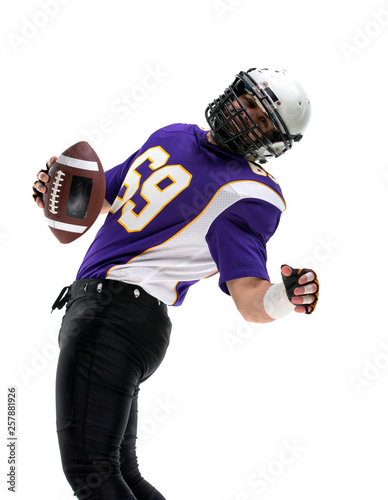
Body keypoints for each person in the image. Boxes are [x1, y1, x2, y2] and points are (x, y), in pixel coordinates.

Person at [33, 67, 319, 500]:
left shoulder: (246, 192)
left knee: (90, 472)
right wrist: (58, 191)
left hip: (115, 318)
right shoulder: (174, 134)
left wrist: (285, 297)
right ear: (232, 91)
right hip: (116, 317)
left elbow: (250, 299)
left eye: (262, 120)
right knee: (122, 474)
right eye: (248, 99)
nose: (246, 115)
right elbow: (102, 201)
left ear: (273, 144)